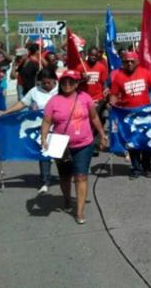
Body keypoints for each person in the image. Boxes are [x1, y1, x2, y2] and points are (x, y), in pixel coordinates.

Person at [41, 70, 107, 224]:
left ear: (77, 84)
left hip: (84, 144)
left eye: (71, 82)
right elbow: (46, 121)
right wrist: (43, 137)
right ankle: (66, 198)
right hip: (61, 146)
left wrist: (102, 134)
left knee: (81, 176)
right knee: (65, 176)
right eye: (64, 82)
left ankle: (80, 211)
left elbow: (94, 117)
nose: (67, 85)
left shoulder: (85, 98)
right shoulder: (54, 101)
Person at [109, 51, 151, 179]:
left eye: (131, 61)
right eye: (126, 62)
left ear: (137, 62)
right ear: (123, 63)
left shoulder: (145, 73)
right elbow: (114, 94)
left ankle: (147, 166)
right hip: (128, 116)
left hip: (145, 115)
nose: (129, 64)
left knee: (146, 142)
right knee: (132, 144)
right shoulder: (118, 76)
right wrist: (111, 104)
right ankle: (135, 168)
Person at [0, 68, 59, 193]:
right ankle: (45, 180)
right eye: (43, 83)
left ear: (55, 80)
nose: (46, 86)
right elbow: (22, 104)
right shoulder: (34, 91)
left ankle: (68, 177)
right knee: (44, 153)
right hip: (42, 128)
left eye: (48, 83)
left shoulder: (61, 90)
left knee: (61, 155)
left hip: (59, 127)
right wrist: (6, 112)